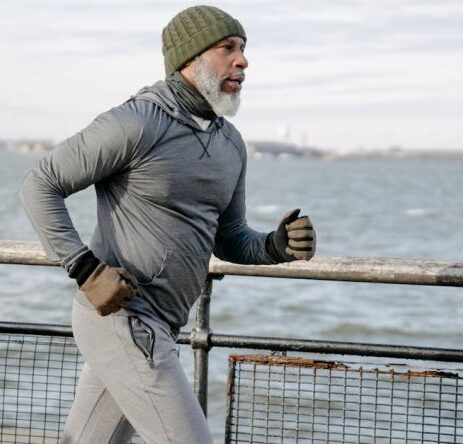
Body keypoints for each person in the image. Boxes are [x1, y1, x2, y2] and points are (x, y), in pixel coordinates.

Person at [20, 5, 316, 443]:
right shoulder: (136, 122)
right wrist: (83, 268)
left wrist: (275, 246)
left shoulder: (230, 143)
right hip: (122, 319)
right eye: (227, 49)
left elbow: (229, 237)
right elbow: (40, 184)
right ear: (189, 58)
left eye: (244, 49)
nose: (243, 61)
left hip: (164, 324)